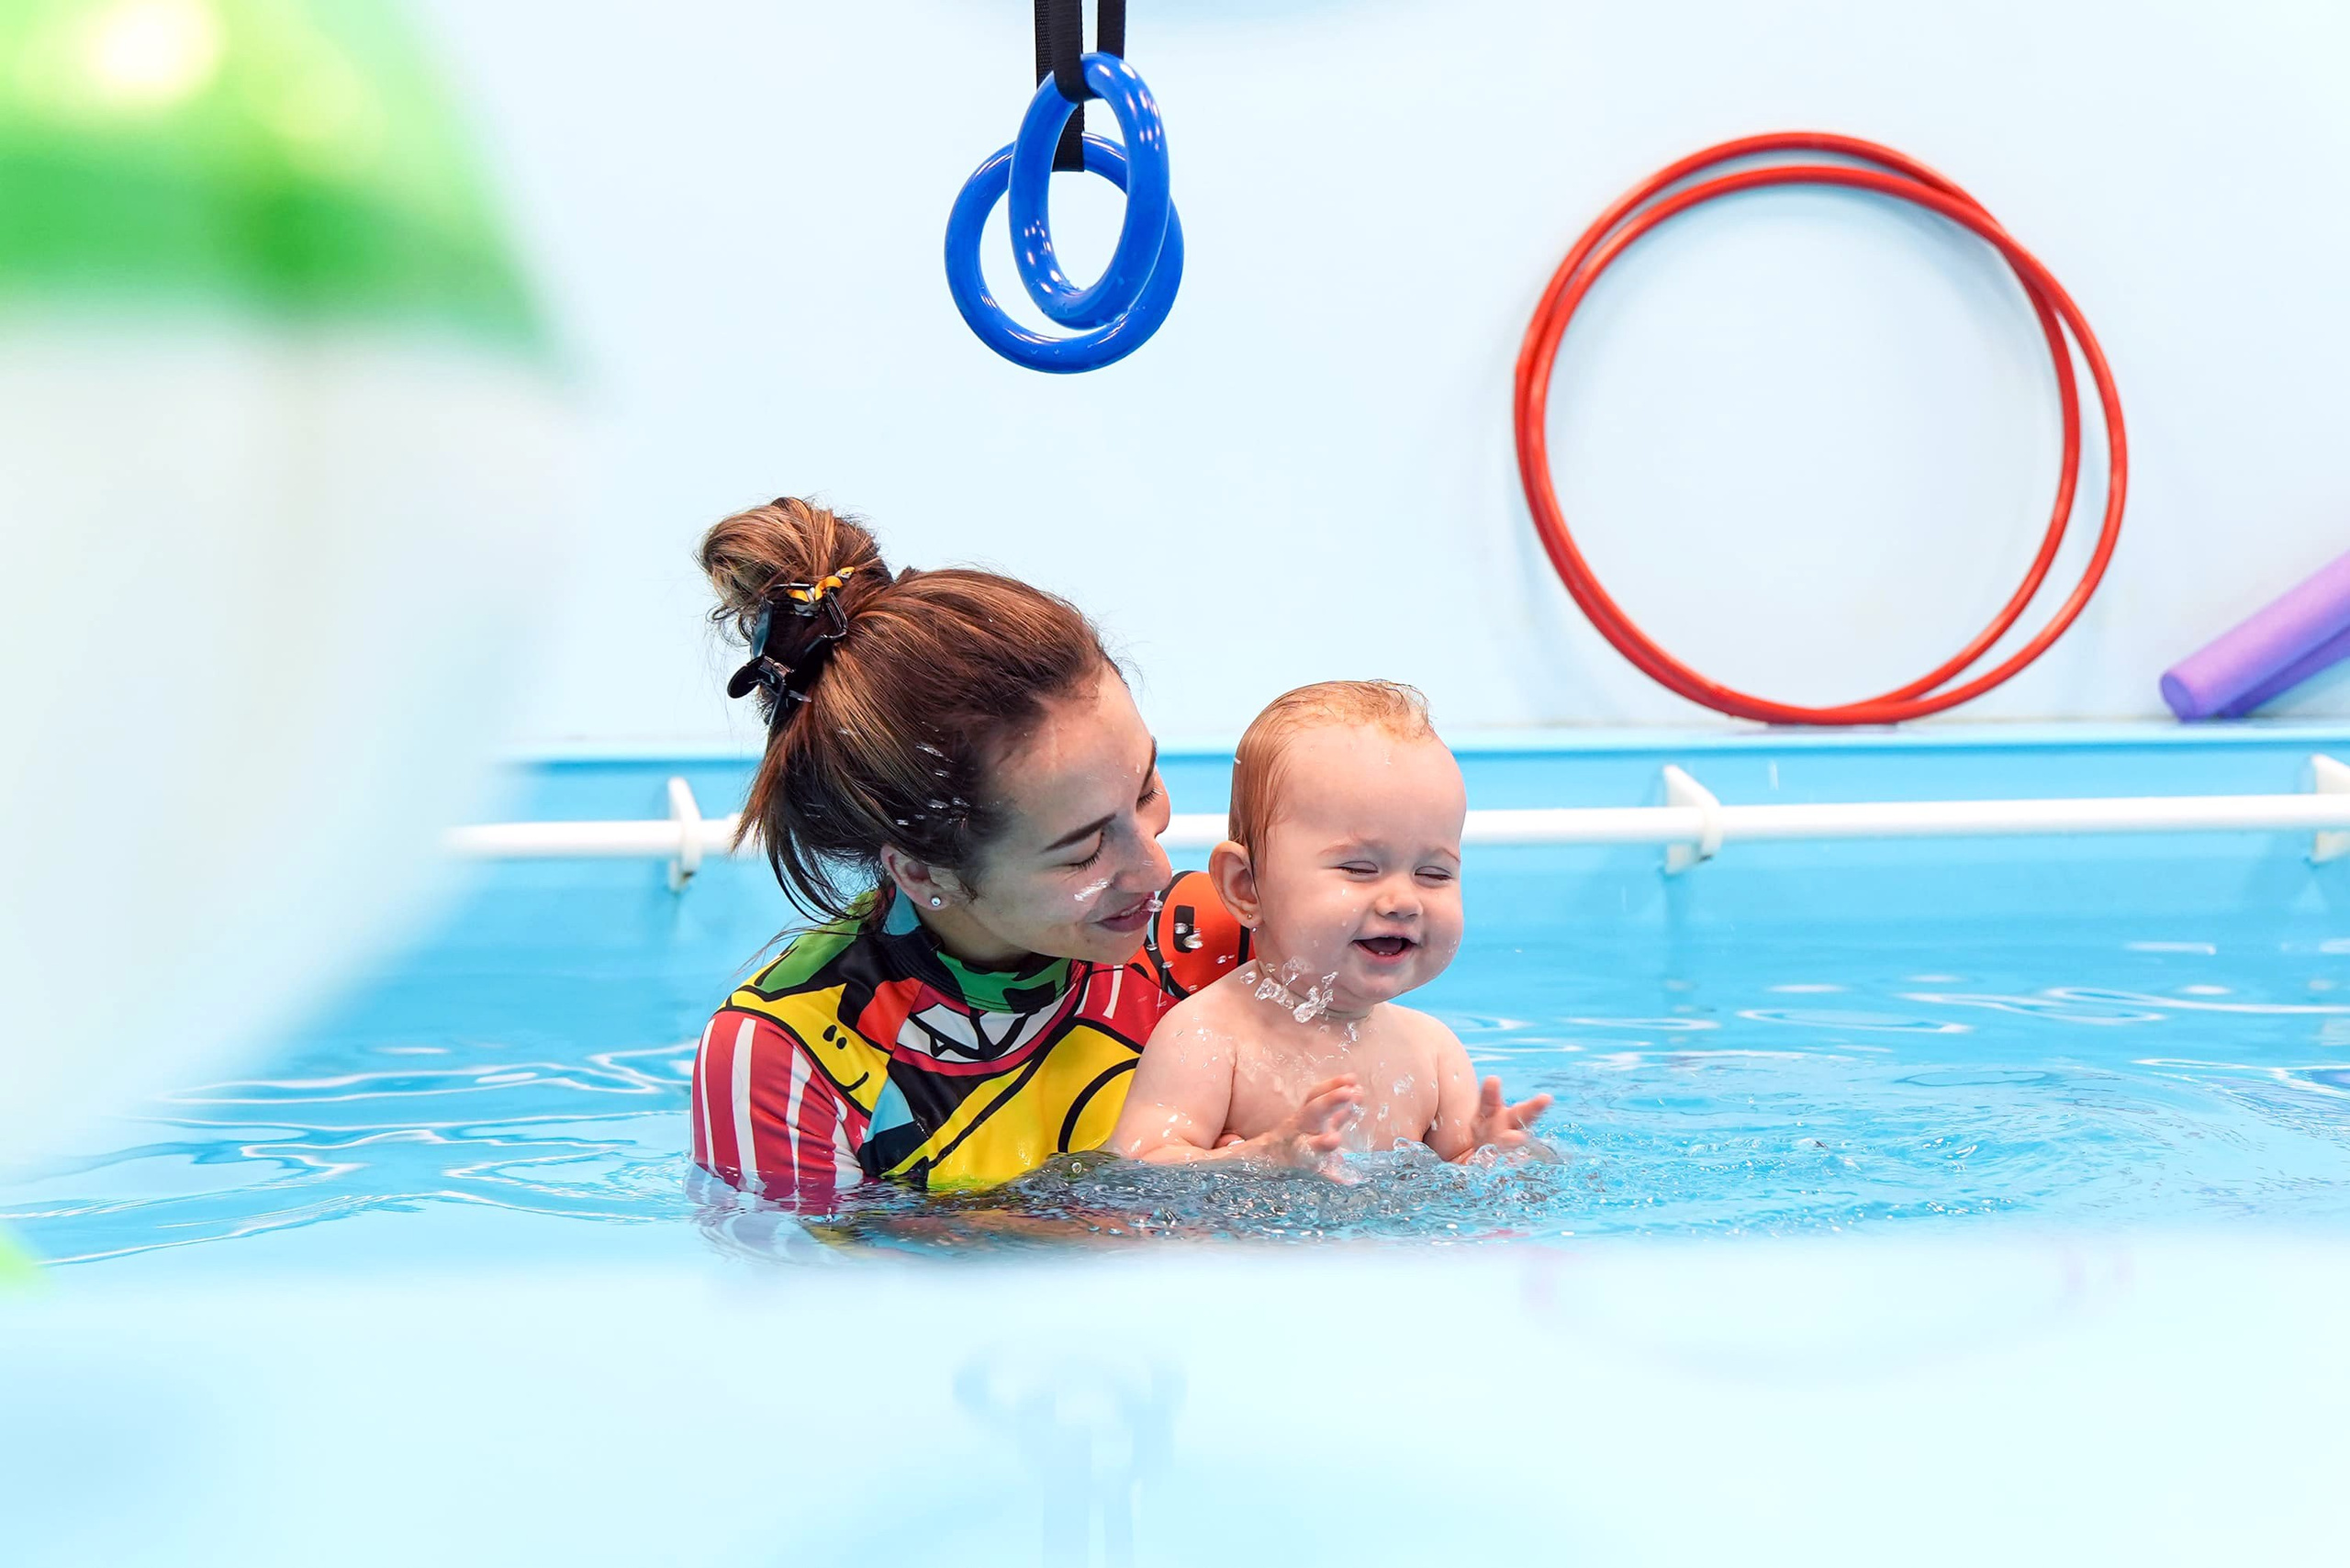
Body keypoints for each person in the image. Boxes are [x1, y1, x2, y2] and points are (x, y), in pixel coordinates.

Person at [687, 498, 1245, 1208]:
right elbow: (806, 1304)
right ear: (922, 872)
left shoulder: (1215, 945)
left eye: (1145, 791)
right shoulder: (788, 1060)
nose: (1157, 871)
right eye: (1081, 852)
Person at [1108, 681, 1551, 1168]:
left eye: (1434, 874)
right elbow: (1140, 1165)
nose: (1404, 901)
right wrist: (1260, 1160)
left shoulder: (1434, 1053)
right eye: (1359, 869)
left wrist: (1494, 1155)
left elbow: (1463, 1178)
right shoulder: (1208, 1038)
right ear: (1246, 888)